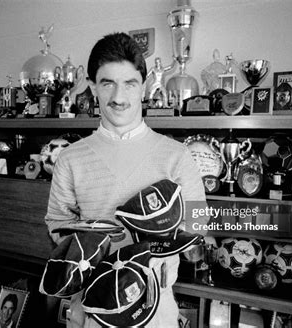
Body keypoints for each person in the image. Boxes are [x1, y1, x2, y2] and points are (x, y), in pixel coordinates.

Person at [45, 32, 209, 328]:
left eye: (129, 83)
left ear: (143, 86)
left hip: (156, 312)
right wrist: (97, 250)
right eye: (107, 83)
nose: (119, 98)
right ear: (93, 87)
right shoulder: (70, 158)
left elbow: (198, 223)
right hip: (92, 311)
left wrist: (156, 242)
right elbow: (56, 223)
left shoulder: (177, 155)